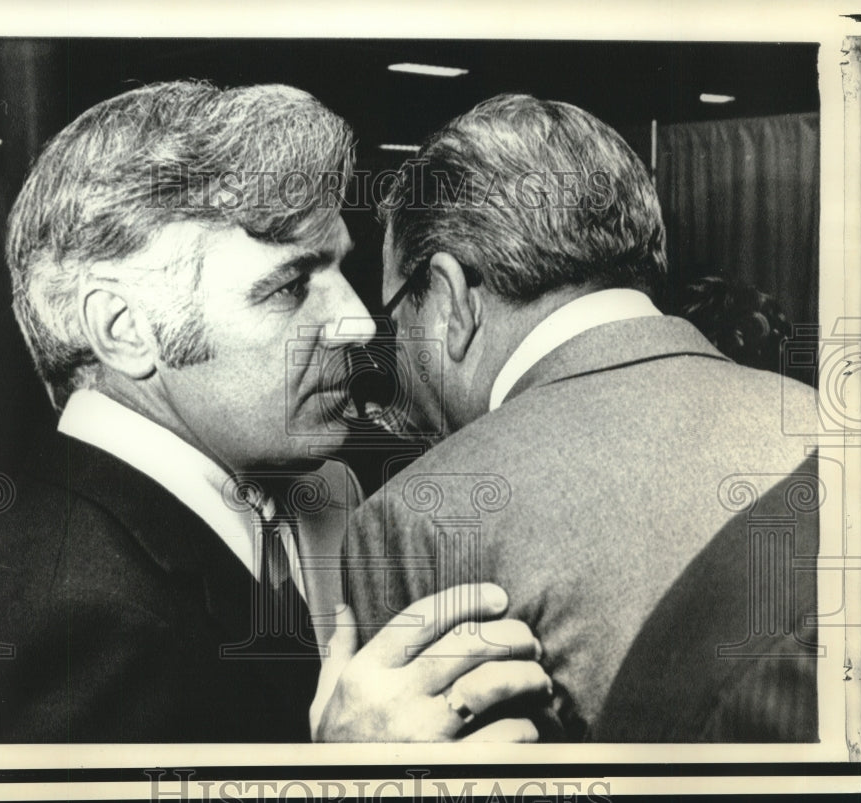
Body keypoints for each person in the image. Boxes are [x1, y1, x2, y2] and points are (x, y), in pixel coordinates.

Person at [0, 80, 551, 743]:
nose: (357, 324)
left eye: (338, 272)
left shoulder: (327, 490)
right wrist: (345, 777)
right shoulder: (65, 609)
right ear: (125, 329)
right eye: (292, 285)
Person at [344, 94, 821, 741]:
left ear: (453, 300)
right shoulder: (821, 421)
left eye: (398, 314)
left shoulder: (418, 517)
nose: (399, 347)